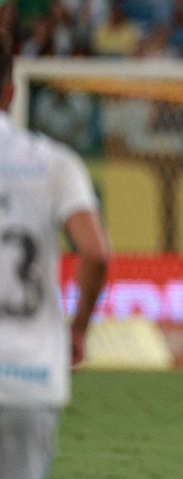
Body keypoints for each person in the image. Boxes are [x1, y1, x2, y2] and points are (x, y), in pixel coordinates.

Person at [0, 29, 110, 478]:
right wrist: (79, 328)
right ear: (11, 90)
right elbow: (96, 253)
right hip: (29, 378)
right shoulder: (53, 163)